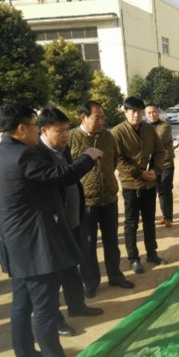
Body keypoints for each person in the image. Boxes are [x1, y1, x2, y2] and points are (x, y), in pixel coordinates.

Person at [0, 103, 101, 357]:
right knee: (45, 308)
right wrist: (88, 157)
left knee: (21, 304)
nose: (37, 131)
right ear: (21, 129)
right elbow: (60, 176)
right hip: (35, 246)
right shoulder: (24, 156)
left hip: (11, 243)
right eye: (35, 126)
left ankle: (24, 356)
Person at [36, 107, 104, 336]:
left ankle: (77, 306)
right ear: (44, 131)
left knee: (72, 267)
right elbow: (64, 176)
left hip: (72, 220)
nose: (66, 135)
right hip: (54, 226)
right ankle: (55, 320)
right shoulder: (37, 155)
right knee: (54, 275)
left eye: (67, 130)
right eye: (60, 131)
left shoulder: (61, 150)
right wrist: (87, 158)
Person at [68, 101, 134, 298]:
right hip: (86, 202)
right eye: (97, 118)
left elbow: (113, 162)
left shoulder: (108, 136)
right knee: (87, 244)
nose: (101, 122)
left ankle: (115, 275)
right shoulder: (71, 138)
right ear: (83, 118)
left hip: (109, 198)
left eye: (103, 118)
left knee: (112, 241)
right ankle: (91, 282)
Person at [111, 97, 167, 274]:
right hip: (131, 184)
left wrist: (155, 170)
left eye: (139, 111)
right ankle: (134, 258)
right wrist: (138, 173)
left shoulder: (149, 129)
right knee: (131, 223)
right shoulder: (117, 133)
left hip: (149, 183)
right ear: (125, 112)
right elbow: (118, 159)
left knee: (149, 220)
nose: (136, 115)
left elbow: (160, 151)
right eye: (133, 111)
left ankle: (152, 253)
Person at [145, 103, 175, 228]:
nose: (152, 115)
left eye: (154, 112)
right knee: (159, 191)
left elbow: (157, 141)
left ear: (158, 112)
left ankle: (168, 217)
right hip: (153, 165)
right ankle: (164, 216)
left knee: (166, 190)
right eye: (149, 113)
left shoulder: (165, 126)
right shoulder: (145, 127)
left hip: (166, 163)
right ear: (146, 114)